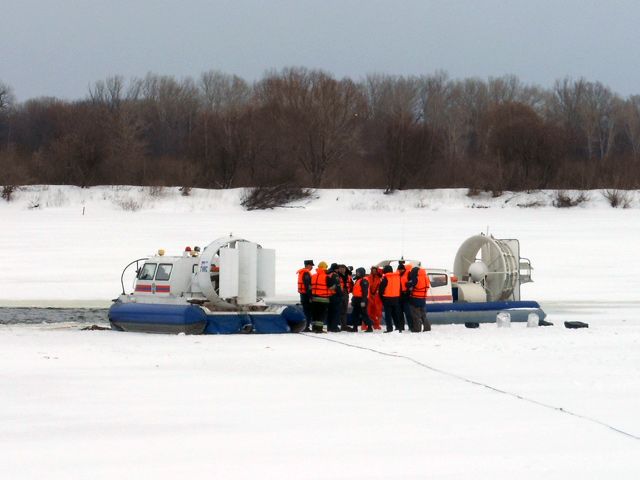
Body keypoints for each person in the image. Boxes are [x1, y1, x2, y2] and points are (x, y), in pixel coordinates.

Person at [407, 265, 431, 332]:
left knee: (416, 315)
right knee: (423, 315)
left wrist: (408, 282)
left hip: (415, 299)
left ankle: (417, 329)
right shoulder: (426, 278)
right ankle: (427, 328)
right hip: (423, 299)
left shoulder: (416, 278)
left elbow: (409, 285)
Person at [379, 265, 403, 332]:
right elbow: (400, 288)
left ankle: (389, 329)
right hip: (396, 298)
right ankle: (398, 327)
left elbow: (381, 290)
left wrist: (382, 298)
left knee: (388, 315)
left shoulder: (386, 278)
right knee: (395, 314)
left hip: (387, 299)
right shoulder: (398, 277)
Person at [310, 261, 331, 333]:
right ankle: (319, 329)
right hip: (323, 299)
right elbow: (331, 287)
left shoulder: (313, 276)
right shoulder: (326, 277)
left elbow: (310, 287)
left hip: (314, 298)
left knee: (315, 314)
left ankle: (314, 328)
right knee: (321, 314)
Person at [351, 268, 373, 332]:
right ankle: (355, 327)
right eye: (357, 272)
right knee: (355, 314)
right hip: (357, 299)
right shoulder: (358, 280)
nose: (357, 273)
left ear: (362, 273)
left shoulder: (364, 280)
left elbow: (365, 292)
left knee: (364, 314)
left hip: (362, 299)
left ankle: (369, 327)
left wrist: (363, 301)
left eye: (358, 272)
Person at [296, 260, 314, 331]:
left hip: (302, 294)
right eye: (311, 265)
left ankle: (305, 326)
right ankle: (306, 327)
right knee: (308, 311)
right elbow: (308, 286)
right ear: (308, 265)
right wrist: (310, 296)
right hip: (306, 295)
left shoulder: (302, 272)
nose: (312, 267)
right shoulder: (306, 273)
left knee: (306, 310)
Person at [398, 262, 414, 332]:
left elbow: (412, 282)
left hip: (406, 295)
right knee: (400, 313)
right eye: (399, 269)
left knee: (408, 313)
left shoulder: (408, 274)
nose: (400, 270)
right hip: (399, 296)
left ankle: (411, 326)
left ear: (404, 269)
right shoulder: (397, 275)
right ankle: (401, 327)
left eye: (401, 269)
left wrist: (409, 287)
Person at [326, 263, 342, 332]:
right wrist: (340, 294)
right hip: (335, 296)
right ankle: (334, 327)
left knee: (330, 312)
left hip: (328, 296)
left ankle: (329, 327)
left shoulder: (328, 274)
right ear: (336, 269)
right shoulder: (335, 275)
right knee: (335, 312)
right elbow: (337, 286)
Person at [337, 264, 353, 331]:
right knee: (338, 310)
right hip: (338, 294)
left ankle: (344, 325)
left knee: (344, 310)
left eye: (343, 268)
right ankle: (336, 325)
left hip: (346, 293)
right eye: (341, 268)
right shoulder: (336, 276)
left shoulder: (349, 276)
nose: (342, 269)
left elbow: (351, 284)